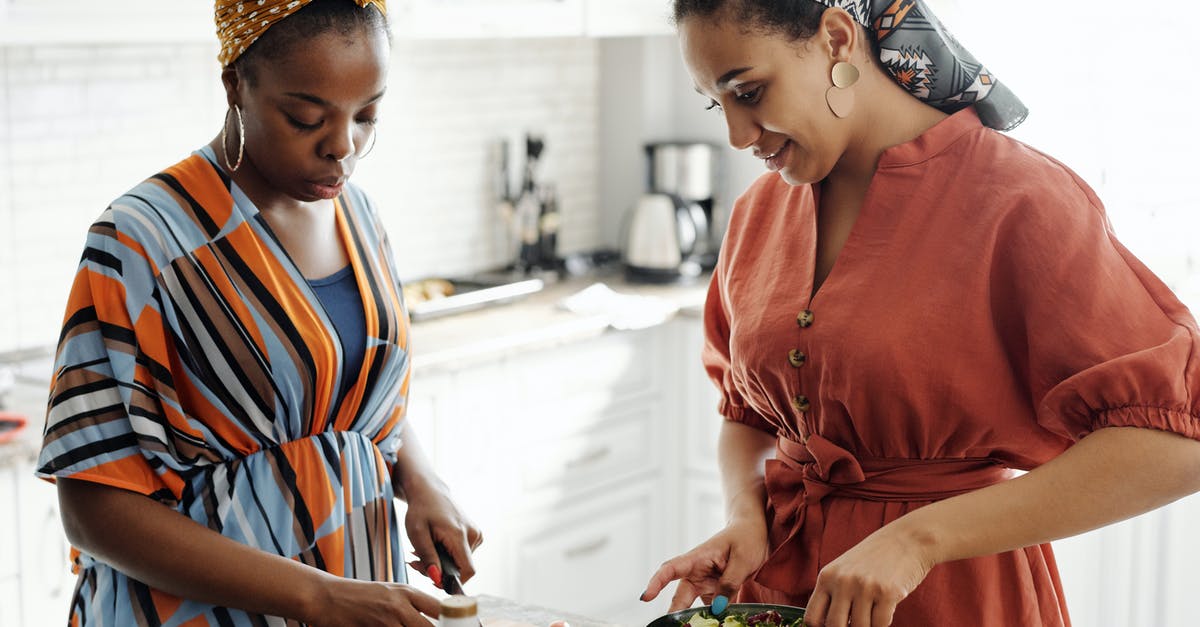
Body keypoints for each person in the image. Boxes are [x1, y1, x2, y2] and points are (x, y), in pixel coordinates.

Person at [639, 1, 1200, 626]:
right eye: (719, 104)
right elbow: (745, 412)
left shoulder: (1022, 201)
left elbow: (1177, 446)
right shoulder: (756, 213)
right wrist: (745, 516)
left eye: (750, 91)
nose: (738, 136)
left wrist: (918, 538)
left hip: (952, 598)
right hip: (778, 593)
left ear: (835, 39)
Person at [34, 1, 482, 625]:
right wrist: (318, 594)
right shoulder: (143, 240)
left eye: (368, 115)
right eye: (306, 118)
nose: (342, 148)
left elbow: (358, 397)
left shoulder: (360, 216)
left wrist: (422, 481)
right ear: (236, 84)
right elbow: (92, 509)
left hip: (356, 591)